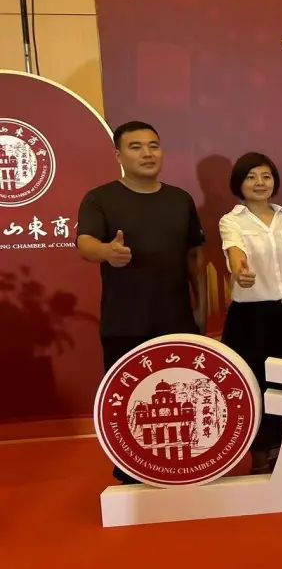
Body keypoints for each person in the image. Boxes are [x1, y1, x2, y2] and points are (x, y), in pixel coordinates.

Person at [77, 120, 207, 484]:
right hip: (125, 322)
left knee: (181, 400)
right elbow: (85, 243)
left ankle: (182, 467)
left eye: (153, 145)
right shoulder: (100, 198)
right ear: (118, 155)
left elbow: (195, 259)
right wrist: (108, 252)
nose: (147, 154)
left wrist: (201, 308)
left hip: (176, 320)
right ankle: (131, 471)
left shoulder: (180, 199)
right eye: (136, 147)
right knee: (129, 404)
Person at [219, 152, 282, 474]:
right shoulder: (232, 221)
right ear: (239, 183)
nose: (260, 183)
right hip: (252, 318)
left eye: (266, 176)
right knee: (255, 386)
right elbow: (235, 252)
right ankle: (258, 456)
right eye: (251, 177)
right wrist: (239, 270)